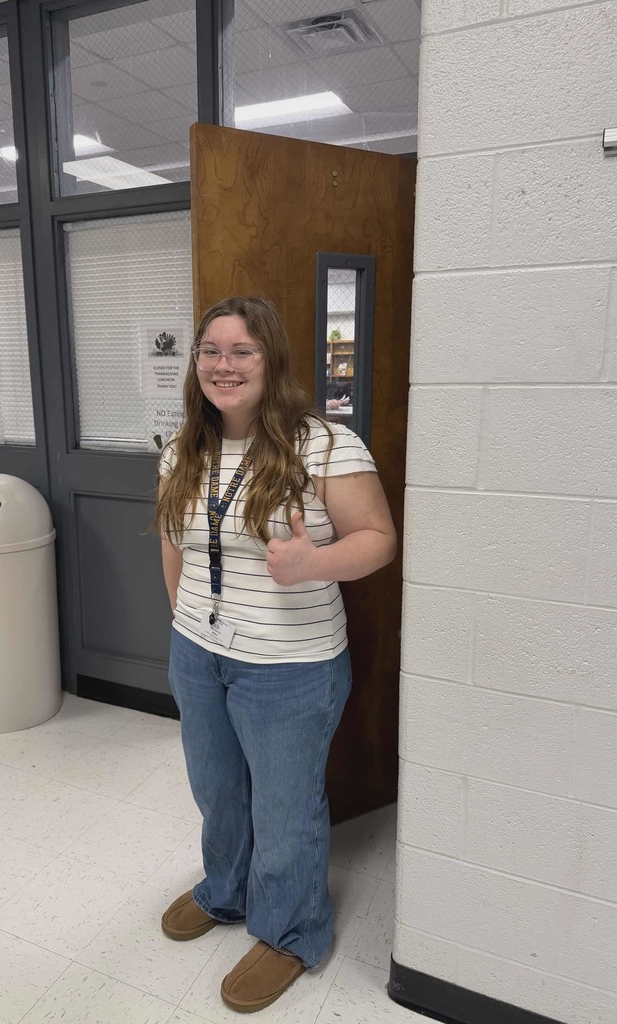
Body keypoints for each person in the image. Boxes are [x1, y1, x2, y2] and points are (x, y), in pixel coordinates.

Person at [154, 296, 396, 1013]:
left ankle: (293, 932)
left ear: (272, 361)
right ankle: (224, 891)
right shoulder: (182, 448)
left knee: (288, 807)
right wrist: (186, 623)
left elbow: (379, 538)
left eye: (241, 351)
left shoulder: (325, 445)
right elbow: (174, 543)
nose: (223, 365)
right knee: (216, 790)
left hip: (291, 668)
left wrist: (312, 565)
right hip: (199, 654)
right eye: (210, 351)